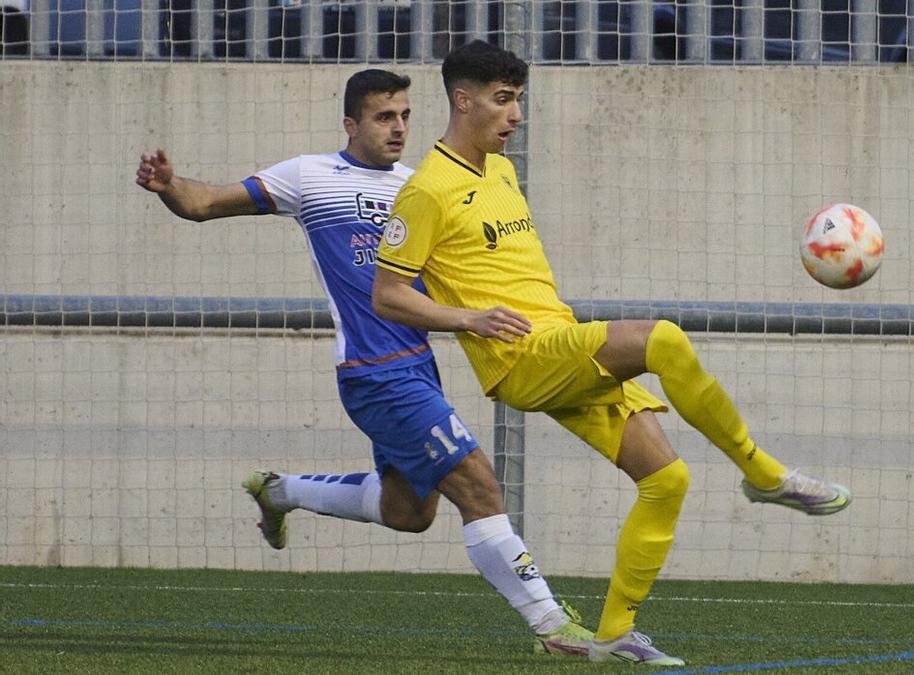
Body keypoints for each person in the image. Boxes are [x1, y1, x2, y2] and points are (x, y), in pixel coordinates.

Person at [370, 41, 852, 666]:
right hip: (522, 358)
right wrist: (469, 317)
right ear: (463, 101)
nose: (515, 115)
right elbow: (387, 295)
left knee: (667, 480)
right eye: (503, 100)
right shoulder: (427, 191)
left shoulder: (502, 170)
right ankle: (763, 474)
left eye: (519, 100)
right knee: (661, 338)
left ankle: (613, 634)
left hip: (560, 346)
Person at [134, 68, 593, 657]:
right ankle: (552, 627)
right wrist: (171, 185)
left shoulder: (421, 186)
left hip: (417, 365)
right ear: (351, 124)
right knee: (479, 484)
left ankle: (280, 491)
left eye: (404, 115)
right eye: (383, 117)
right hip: (375, 374)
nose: (398, 127)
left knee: (409, 512)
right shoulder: (311, 176)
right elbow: (204, 204)